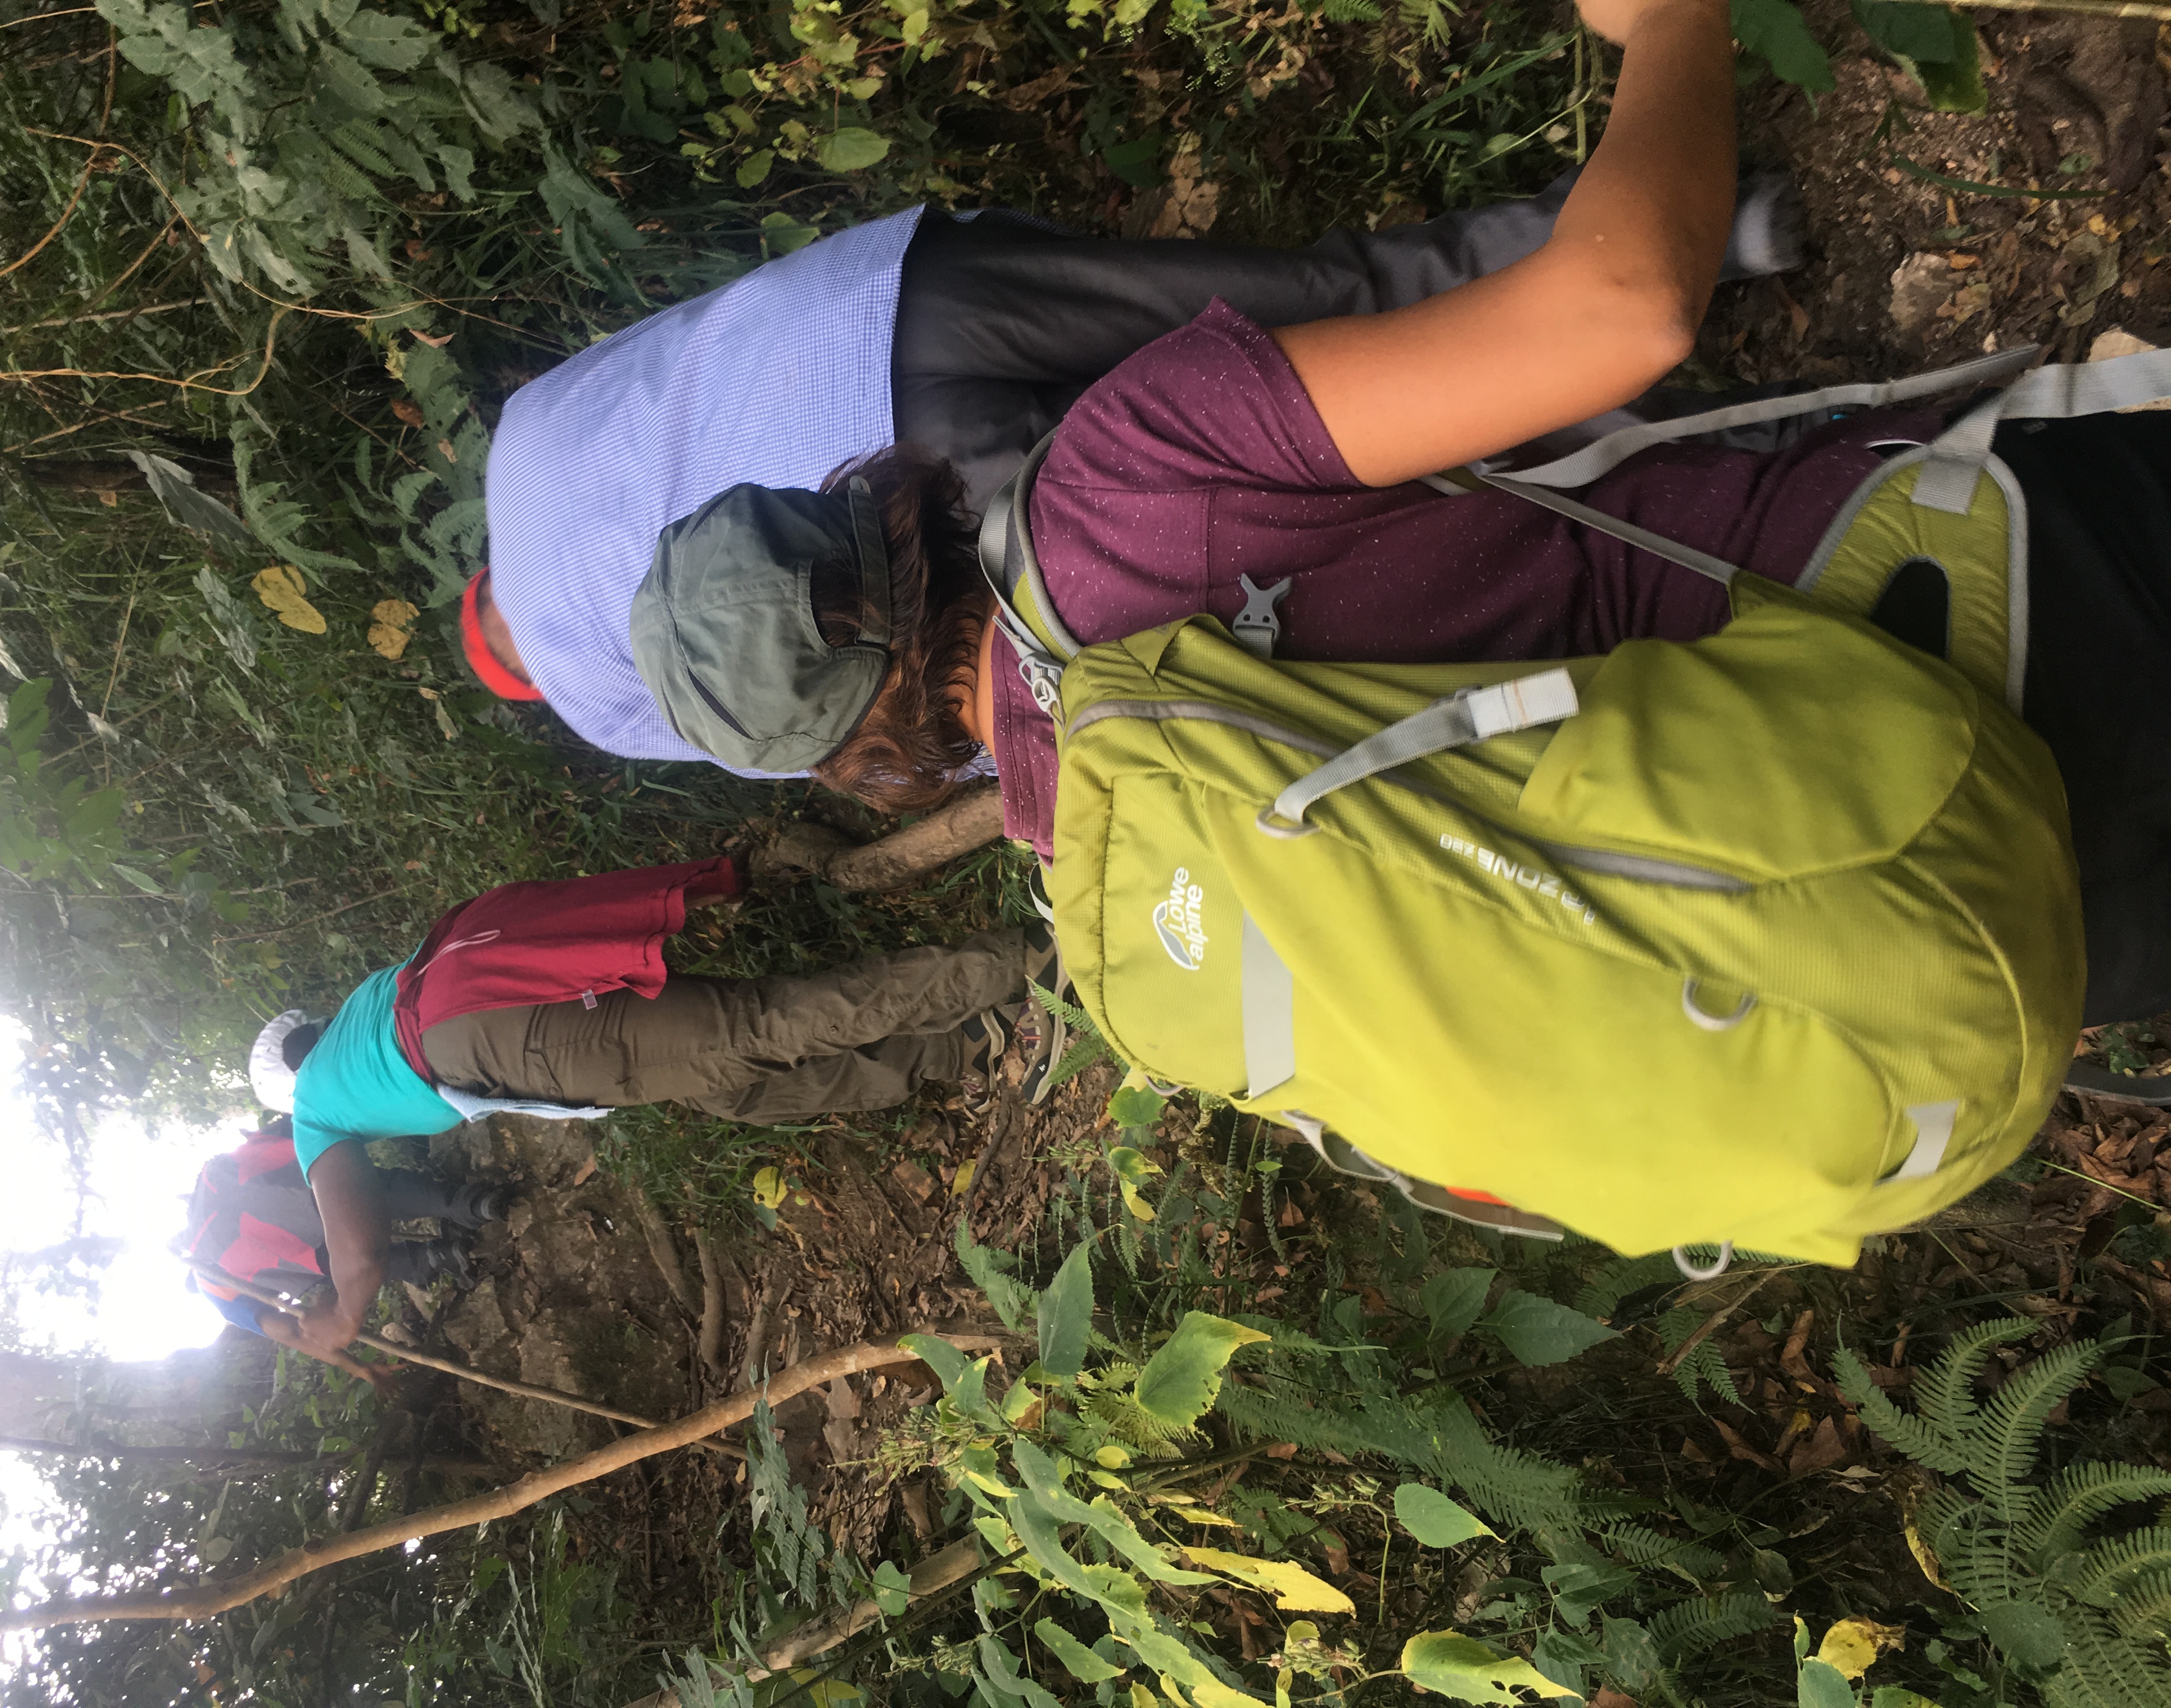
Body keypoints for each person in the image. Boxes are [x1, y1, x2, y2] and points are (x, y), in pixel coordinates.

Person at [616, 0, 2171, 1035]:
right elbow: (1620, 312)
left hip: (1931, 939)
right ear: (868, 506)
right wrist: (1678, 24)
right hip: (1981, 615)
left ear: (860, 757)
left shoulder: (1104, 882)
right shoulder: (1116, 488)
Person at [473, 161, 1808, 764]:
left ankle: (1743, 471)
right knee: (1320, 311)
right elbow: (680, 336)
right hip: (883, 302)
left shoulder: (603, 704)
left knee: (1340, 494)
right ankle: (1707, 223)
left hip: (925, 521)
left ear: (522, 680)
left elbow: (811, 708)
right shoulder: (522, 431)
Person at [249, 859, 1058, 1361]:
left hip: (487, 1039)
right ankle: (969, 1041)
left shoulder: (317, 1105)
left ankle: (1024, 964)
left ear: (286, 1100)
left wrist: (336, 1317)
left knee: (751, 1029)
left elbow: (358, 1257)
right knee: (731, 1086)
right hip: (487, 991)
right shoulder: (360, 1014)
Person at [179, 1117, 500, 1385]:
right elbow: (292, 1125)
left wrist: (355, 1366)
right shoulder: (210, 1174)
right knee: (372, 1193)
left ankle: (439, 1256)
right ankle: (470, 1202)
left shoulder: (211, 1284)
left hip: (306, 1249)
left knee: (344, 1268)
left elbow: (285, 1329)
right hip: (311, 1178)